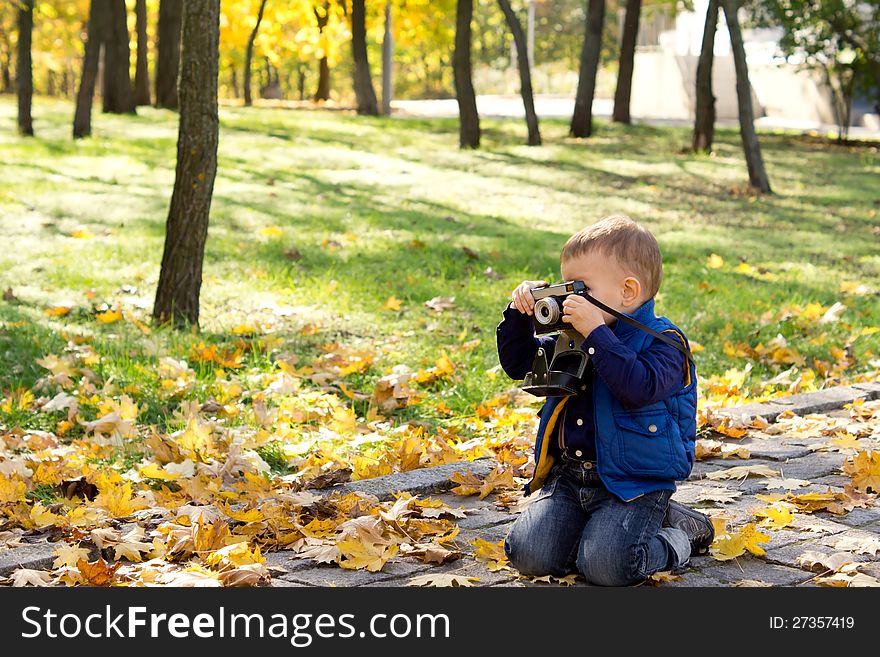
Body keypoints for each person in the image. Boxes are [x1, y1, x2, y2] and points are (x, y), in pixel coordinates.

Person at [497, 214, 714, 586]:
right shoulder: (574, 336)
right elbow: (520, 366)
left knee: (608, 568)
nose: (568, 300)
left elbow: (637, 387)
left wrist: (597, 332)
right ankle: (596, 533)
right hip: (570, 479)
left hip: (635, 484)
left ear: (627, 291)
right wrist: (519, 316)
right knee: (528, 554)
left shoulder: (665, 343)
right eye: (567, 287)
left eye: (581, 289)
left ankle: (676, 535)